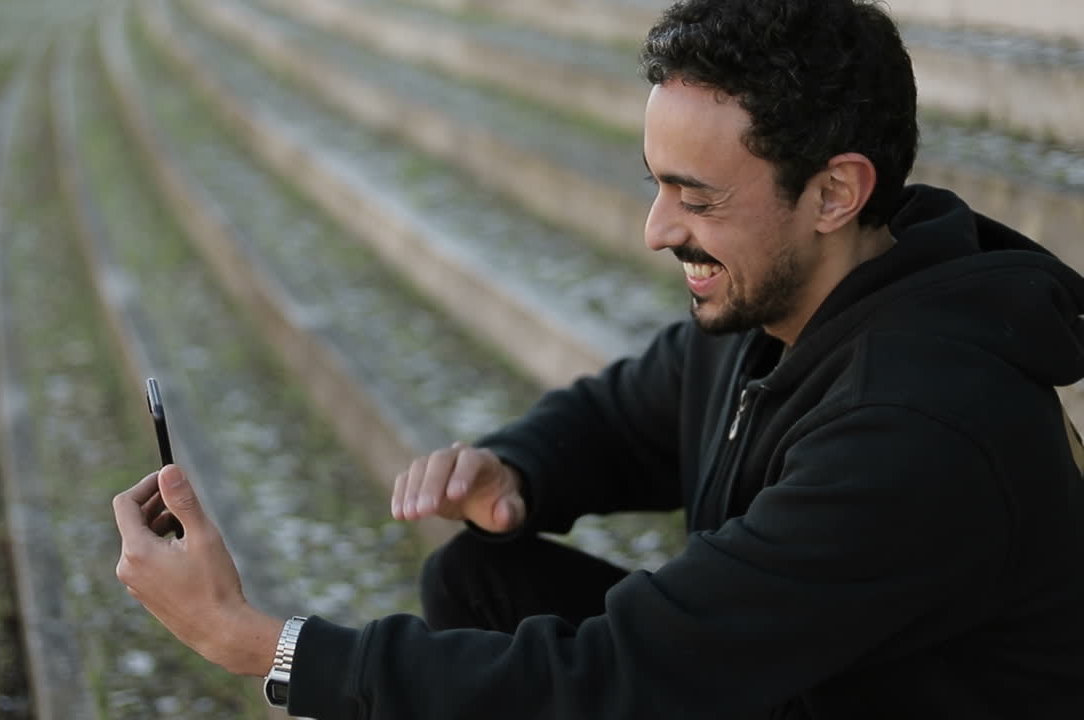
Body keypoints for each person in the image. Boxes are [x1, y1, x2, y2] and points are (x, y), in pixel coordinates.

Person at [111, 0, 1084, 716]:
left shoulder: (918, 430)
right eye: (654, 184)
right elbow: (626, 413)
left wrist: (257, 644)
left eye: (695, 198)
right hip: (817, 678)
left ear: (834, 193)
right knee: (477, 581)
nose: (657, 230)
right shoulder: (791, 299)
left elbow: (623, 677)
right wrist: (517, 469)